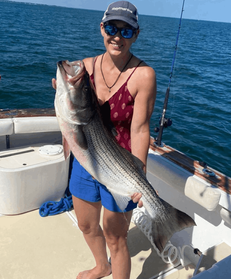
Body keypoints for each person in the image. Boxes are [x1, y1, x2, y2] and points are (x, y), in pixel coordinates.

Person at [53, 1, 156, 278]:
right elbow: (72, 107)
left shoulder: (143, 76)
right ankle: (102, 266)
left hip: (121, 167)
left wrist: (140, 176)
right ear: (102, 28)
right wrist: (63, 90)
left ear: (136, 34)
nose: (117, 36)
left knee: (116, 238)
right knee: (87, 225)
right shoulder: (86, 67)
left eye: (126, 30)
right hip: (86, 161)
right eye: (111, 27)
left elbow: (140, 129)